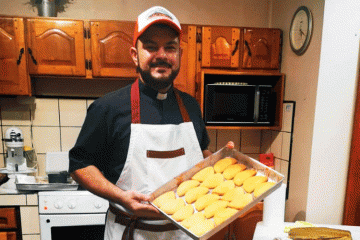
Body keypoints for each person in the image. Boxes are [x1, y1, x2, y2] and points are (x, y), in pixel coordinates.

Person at [69, 6, 212, 240]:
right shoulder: (108, 108)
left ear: (179, 56)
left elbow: (202, 151)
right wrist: (119, 196)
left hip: (186, 232)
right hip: (131, 232)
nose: (162, 55)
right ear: (135, 54)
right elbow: (80, 164)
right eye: (151, 47)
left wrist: (223, 163)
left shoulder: (191, 106)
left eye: (170, 47)